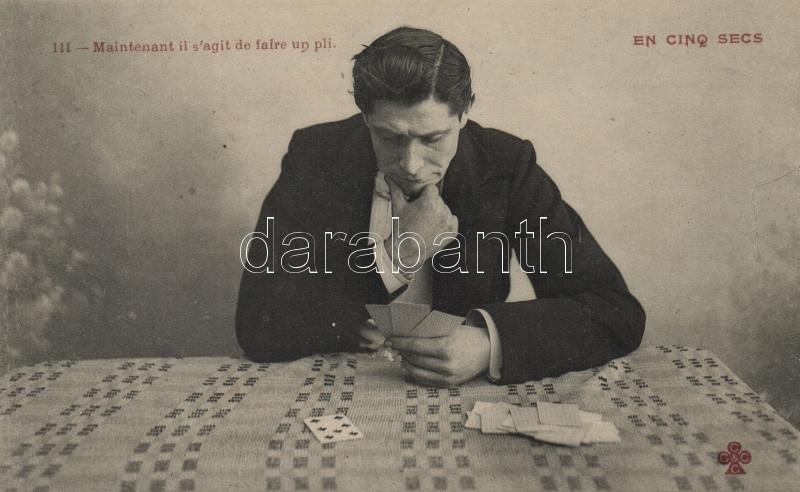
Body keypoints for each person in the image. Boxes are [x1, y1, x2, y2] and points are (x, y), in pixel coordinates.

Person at [235, 26, 645, 386]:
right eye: (389, 138)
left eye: (433, 139)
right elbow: (258, 325)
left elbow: (614, 310)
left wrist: (489, 344)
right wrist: (397, 257)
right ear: (365, 118)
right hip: (342, 385)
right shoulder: (316, 156)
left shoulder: (505, 164)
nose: (411, 165)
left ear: (464, 113)